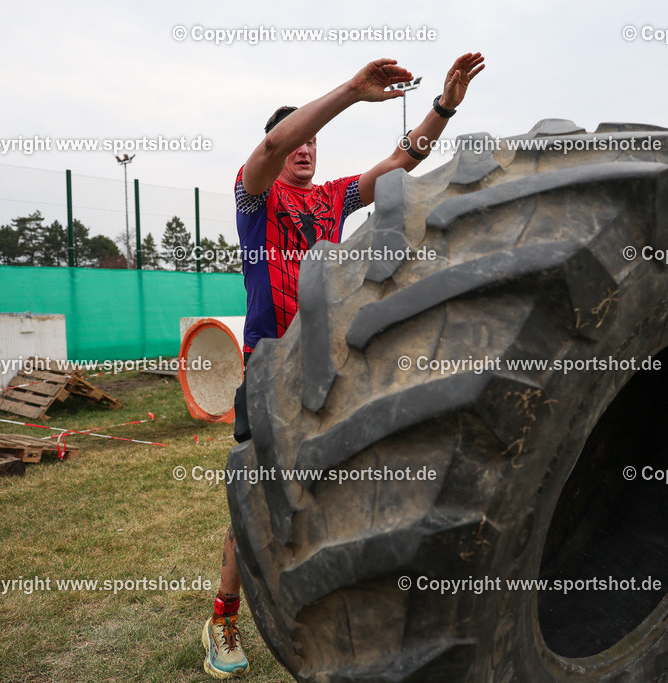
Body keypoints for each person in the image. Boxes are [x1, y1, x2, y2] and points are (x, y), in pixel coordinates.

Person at [203, 52, 485, 679]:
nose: (304, 150)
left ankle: (348, 606)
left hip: (327, 364)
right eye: (298, 142)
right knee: (256, 499)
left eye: (311, 145)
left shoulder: (332, 199)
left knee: (334, 490)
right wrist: (353, 92)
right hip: (266, 365)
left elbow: (402, 164)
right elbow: (276, 140)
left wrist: (444, 107)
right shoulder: (256, 198)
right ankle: (223, 614)